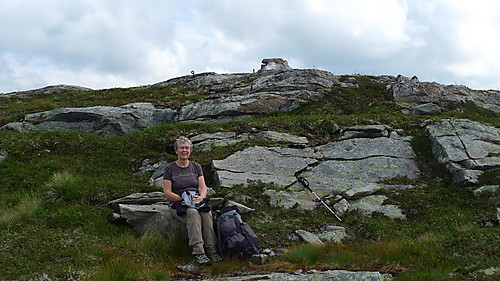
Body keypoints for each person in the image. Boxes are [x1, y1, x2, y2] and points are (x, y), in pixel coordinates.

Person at [163, 136, 222, 265]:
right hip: (178, 203)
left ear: (190, 150)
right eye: (182, 148)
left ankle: (212, 250)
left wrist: (201, 197)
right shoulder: (170, 168)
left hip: (196, 200)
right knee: (193, 213)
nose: (185, 150)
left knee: (206, 214)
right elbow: (167, 192)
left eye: (187, 148)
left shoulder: (196, 166)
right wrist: (183, 199)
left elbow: (202, 187)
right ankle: (199, 252)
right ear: (176, 150)